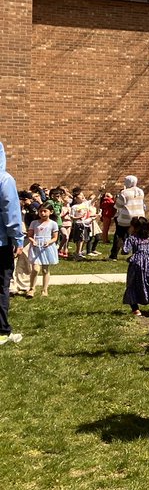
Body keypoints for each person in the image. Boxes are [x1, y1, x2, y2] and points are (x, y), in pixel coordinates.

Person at [0, 141, 25, 345]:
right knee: (1, 285)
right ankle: (1, 331)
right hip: (1, 242)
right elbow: (11, 212)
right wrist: (17, 237)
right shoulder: (5, 179)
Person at [123, 216, 149, 316]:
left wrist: (123, 243)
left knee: (132, 284)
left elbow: (125, 250)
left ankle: (135, 309)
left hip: (136, 263)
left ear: (134, 227)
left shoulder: (132, 238)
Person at [26, 203, 59, 298]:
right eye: (41, 211)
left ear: (51, 212)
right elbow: (30, 235)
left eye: (45, 211)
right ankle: (32, 288)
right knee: (35, 269)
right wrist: (32, 241)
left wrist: (49, 242)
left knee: (45, 270)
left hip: (47, 248)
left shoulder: (53, 224)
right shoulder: (34, 223)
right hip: (36, 247)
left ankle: (44, 289)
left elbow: (55, 237)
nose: (43, 213)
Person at [109, 175, 145, 260]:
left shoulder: (124, 193)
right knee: (137, 235)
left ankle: (113, 255)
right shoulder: (140, 191)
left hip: (126, 217)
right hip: (139, 216)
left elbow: (118, 205)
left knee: (119, 235)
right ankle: (136, 253)